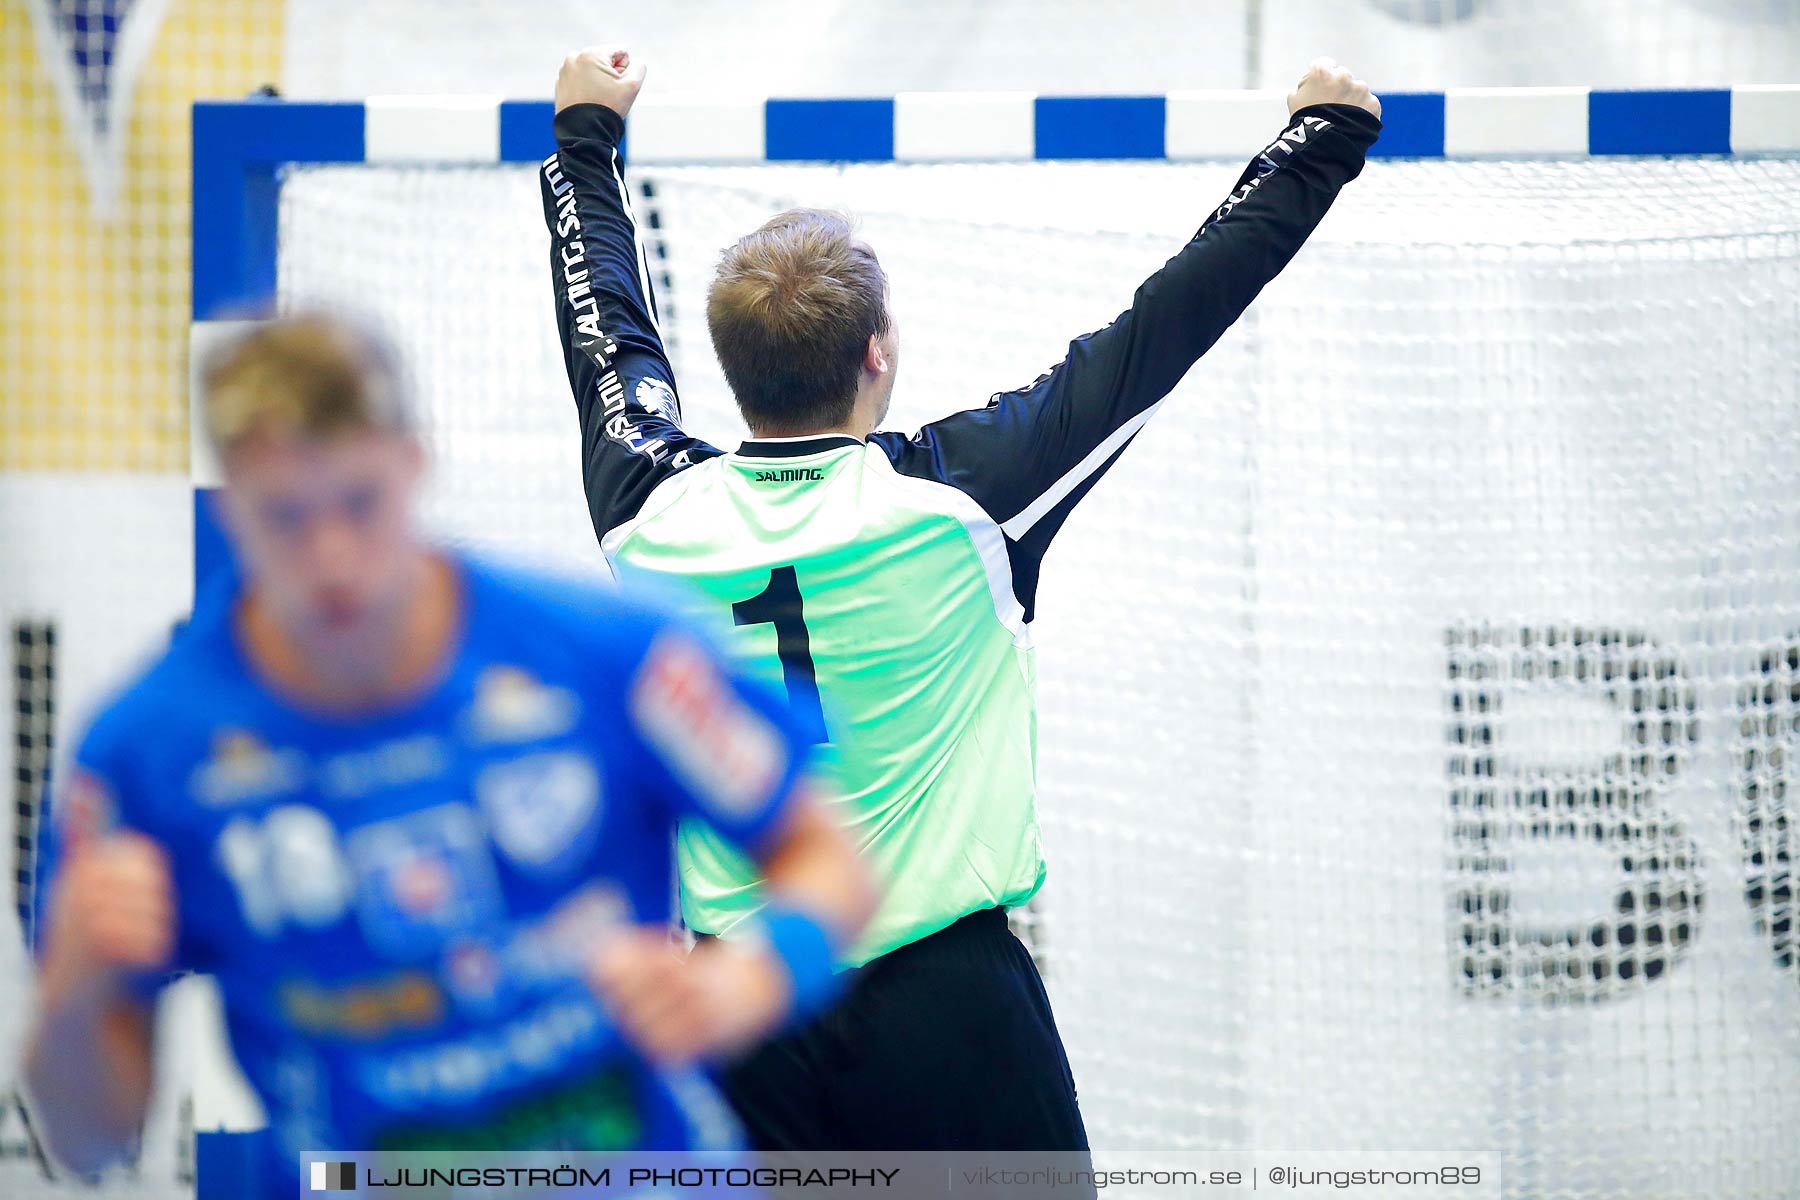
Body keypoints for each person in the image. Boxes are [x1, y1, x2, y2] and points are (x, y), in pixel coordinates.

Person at [541, 47, 1381, 1150]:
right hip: (944, 1006)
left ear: (735, 370)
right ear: (876, 353)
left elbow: (603, 323)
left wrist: (583, 140)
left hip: (743, 1015)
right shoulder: (957, 503)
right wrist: (1317, 142)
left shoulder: (650, 510)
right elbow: (1170, 321)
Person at [25, 314, 874, 1196]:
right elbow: (88, 1141)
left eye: (360, 502)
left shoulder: (606, 658)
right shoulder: (145, 757)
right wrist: (76, 992)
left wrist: (755, 978)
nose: (333, 559)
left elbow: (829, 856)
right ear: (225, 504)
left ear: (413, 463)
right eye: (284, 516)